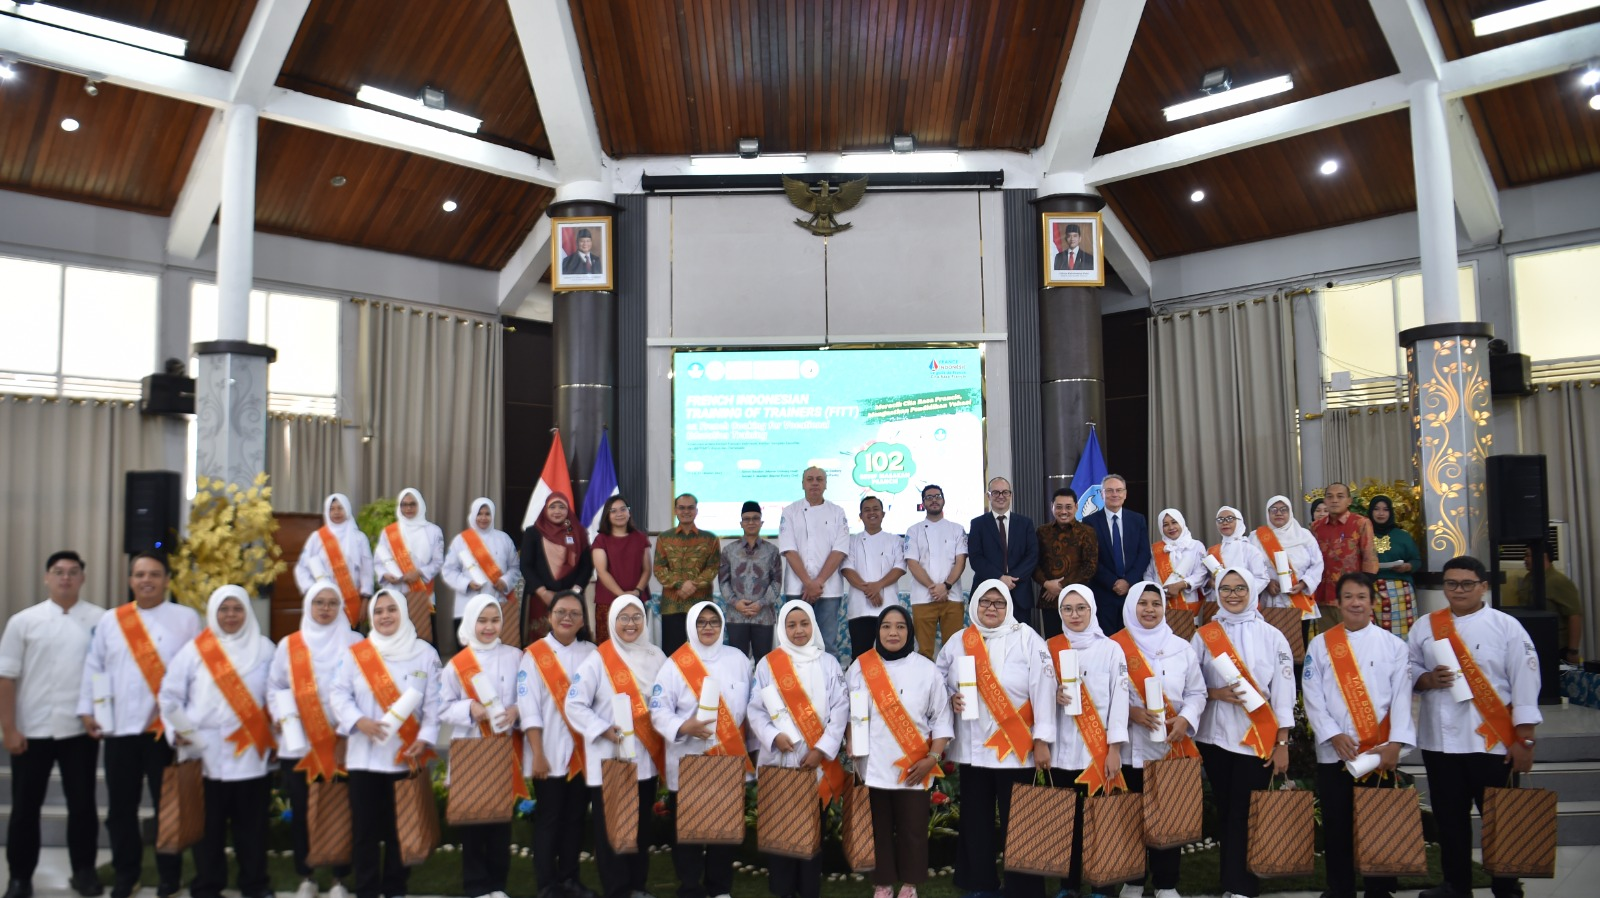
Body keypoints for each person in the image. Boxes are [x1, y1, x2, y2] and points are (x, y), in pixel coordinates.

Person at [1408, 555, 1542, 898]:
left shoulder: (1505, 626)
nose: (1458, 590)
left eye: (1467, 583)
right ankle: (1455, 884)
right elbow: (1408, 668)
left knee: (1501, 819)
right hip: (1440, 741)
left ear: (1483, 586)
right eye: (1451, 583)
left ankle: (1506, 885)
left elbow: (1526, 681)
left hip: (1492, 743)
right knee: (1449, 819)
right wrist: (1426, 678)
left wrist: (1524, 740)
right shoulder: (1425, 625)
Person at [77, 552, 201, 898]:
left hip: (166, 731)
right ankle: (125, 874)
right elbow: (95, 667)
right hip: (119, 730)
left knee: (169, 807)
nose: (147, 580)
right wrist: (89, 711)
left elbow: (197, 672)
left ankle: (169, 877)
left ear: (167, 579)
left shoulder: (186, 618)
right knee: (121, 809)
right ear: (131, 580)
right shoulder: (111, 621)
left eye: (155, 574)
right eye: (140, 574)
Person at [935, 580, 1055, 898]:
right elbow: (936, 682)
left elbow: (1045, 688)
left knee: (1022, 820)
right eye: (986, 602)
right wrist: (950, 698)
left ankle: (1024, 889)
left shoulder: (1027, 638)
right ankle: (980, 884)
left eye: (999, 603)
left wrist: (1042, 739)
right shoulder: (959, 641)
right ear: (975, 604)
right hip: (973, 748)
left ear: (1009, 606)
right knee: (976, 820)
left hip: (1016, 747)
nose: (991, 608)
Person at [159, 585, 277, 898]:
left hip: (251, 751)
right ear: (213, 612)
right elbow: (170, 696)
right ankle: (208, 884)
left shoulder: (265, 649)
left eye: (237, 608)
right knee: (207, 828)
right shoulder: (195, 650)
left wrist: (279, 735)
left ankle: (255, 883)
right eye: (224, 609)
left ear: (247, 611)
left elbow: (278, 695)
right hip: (203, 752)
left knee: (251, 827)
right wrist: (179, 733)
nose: (230, 615)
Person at [1303, 573, 1416, 898]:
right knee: (1337, 825)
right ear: (1337, 604)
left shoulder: (1393, 645)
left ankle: (1379, 889)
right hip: (1334, 753)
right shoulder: (1321, 644)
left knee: (1379, 820)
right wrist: (1332, 734)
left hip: (1377, 752)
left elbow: (1401, 697)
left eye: (1361, 597)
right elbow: (1312, 696)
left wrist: (1395, 743)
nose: (1355, 602)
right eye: (1348, 597)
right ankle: (1339, 888)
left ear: (1372, 602)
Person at [1, 550, 105, 898]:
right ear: (47, 577)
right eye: (58, 572)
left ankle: (85, 872)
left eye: (72, 572)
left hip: (79, 729)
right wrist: (9, 728)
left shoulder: (100, 619)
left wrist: (100, 717)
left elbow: (105, 673)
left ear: (82, 578)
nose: (65, 578)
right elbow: (7, 677)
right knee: (25, 808)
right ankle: (19, 877)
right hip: (33, 729)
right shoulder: (23, 621)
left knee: (83, 806)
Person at [329, 589, 442, 898]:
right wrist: (358, 720)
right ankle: (365, 889)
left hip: (404, 755)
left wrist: (425, 737)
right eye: (379, 611)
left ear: (403, 612)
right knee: (364, 832)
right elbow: (338, 694)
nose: (385, 616)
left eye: (392, 609)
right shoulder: (358, 653)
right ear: (371, 617)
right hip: (364, 758)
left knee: (400, 829)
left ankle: (395, 887)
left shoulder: (425, 653)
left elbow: (434, 704)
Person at [1192, 568, 1295, 898]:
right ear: (1217, 593)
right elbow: (1189, 685)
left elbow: (1283, 693)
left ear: (1252, 591)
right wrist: (1215, 693)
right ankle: (1230, 883)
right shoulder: (1204, 634)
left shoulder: (1273, 637)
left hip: (1258, 739)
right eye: (1225, 589)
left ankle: (1242, 887)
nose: (1233, 594)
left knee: (1247, 813)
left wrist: (1282, 742)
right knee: (1226, 812)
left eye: (1239, 588)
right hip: (1215, 738)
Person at [846, 605, 953, 898]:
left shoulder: (926, 670)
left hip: (914, 766)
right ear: (877, 631)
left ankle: (909, 885)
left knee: (913, 830)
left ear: (910, 631)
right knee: (877, 829)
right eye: (886, 626)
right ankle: (882, 884)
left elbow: (942, 719)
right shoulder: (860, 667)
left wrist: (931, 759)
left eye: (900, 626)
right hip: (873, 766)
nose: (893, 632)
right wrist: (850, 739)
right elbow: (849, 713)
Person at [650, 602, 753, 898]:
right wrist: (684, 727)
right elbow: (658, 710)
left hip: (727, 756)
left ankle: (719, 889)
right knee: (689, 833)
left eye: (713, 622)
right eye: (701, 622)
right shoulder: (674, 664)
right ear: (692, 626)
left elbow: (751, 706)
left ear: (722, 625)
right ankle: (691, 887)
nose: (708, 628)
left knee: (723, 830)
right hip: (689, 757)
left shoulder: (738, 660)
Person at [566, 597, 667, 898]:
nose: (631, 623)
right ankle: (618, 890)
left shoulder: (656, 656)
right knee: (614, 831)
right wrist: (601, 729)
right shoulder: (599, 659)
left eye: (636, 616)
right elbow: (574, 703)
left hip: (645, 759)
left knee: (639, 829)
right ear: (612, 621)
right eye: (623, 617)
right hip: (612, 758)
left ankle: (637, 886)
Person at [266, 581, 361, 898]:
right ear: (308, 605)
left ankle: (340, 879)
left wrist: (348, 729)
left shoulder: (355, 642)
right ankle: (306, 876)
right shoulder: (289, 645)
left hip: (341, 743)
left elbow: (363, 691)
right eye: (319, 602)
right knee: (304, 810)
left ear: (340, 607)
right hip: (299, 745)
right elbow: (275, 687)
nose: (325, 608)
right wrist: (281, 716)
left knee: (340, 810)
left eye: (332, 602)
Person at [749, 601, 849, 898]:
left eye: (804, 623)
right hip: (778, 760)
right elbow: (755, 710)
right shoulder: (768, 663)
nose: (798, 630)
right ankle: (782, 890)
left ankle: (808, 891)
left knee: (810, 833)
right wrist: (773, 735)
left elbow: (840, 710)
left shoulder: (828, 663)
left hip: (814, 765)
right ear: (782, 628)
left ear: (813, 626)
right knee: (780, 834)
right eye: (791, 625)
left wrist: (821, 750)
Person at [1113, 582, 1205, 898]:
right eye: (1143, 603)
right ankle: (1133, 880)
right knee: (1129, 816)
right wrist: (1130, 713)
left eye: (1156, 603)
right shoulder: (1113, 647)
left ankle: (1166, 883)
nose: (1150, 610)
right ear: (1131, 607)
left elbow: (1197, 692)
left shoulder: (1182, 647)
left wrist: (1186, 718)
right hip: (1127, 748)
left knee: (1169, 814)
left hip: (1170, 746)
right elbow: (1099, 695)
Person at [1045, 585, 1129, 898]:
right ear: (1059, 613)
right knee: (1068, 824)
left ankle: (1102, 886)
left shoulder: (1110, 649)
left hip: (1099, 752)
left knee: (1101, 823)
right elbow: (1036, 694)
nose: (1075, 615)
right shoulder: (1050, 646)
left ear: (1092, 609)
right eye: (1068, 609)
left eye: (1081, 608)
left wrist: (1115, 749)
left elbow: (1120, 700)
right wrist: (1051, 694)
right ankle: (1068, 885)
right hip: (1063, 752)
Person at [440, 594, 525, 898]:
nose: (489, 627)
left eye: (494, 620)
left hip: (503, 747)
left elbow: (528, 698)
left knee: (499, 823)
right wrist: (469, 709)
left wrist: (517, 711)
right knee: (473, 825)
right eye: (482, 620)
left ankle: (497, 885)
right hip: (471, 746)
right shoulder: (457, 664)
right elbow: (441, 706)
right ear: (471, 622)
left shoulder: (516, 656)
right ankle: (476, 887)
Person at [516, 590, 597, 898]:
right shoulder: (534, 654)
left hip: (582, 754)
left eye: (574, 613)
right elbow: (529, 707)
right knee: (549, 820)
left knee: (576, 818)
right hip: (547, 752)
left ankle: (570, 879)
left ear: (581, 620)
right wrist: (537, 754)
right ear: (549, 616)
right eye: (561, 612)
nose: (567, 618)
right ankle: (547, 885)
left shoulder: (592, 652)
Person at [778, 467, 852, 657]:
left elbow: (839, 550)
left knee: (827, 643)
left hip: (828, 590)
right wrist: (807, 583)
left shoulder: (837, 512)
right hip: (797, 589)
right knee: (795, 642)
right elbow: (789, 549)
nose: (815, 483)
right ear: (803, 484)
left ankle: (829, 685)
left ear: (826, 484)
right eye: (810, 479)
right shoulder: (790, 511)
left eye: (819, 479)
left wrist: (816, 583)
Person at [903, 485, 968, 659]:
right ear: (923, 503)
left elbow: (961, 561)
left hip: (952, 597)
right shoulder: (913, 530)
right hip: (923, 598)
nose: (934, 500)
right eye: (929, 497)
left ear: (943, 500)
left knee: (954, 650)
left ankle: (953, 685)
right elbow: (912, 562)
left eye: (937, 496)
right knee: (924, 651)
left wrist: (946, 586)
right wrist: (934, 588)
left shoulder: (957, 529)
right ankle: (926, 686)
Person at [373, 487, 445, 642]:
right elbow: (379, 562)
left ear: (420, 505)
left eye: (412, 504)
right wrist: (385, 575)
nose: (408, 508)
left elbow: (438, 561)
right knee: (396, 637)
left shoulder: (433, 531)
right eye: (404, 504)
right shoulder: (389, 532)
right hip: (395, 591)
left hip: (422, 591)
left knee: (423, 638)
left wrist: (419, 572)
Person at [967, 476, 1040, 630]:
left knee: (1021, 641)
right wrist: (1000, 578)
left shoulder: (1025, 523)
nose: (1001, 496)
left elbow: (1032, 555)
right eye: (996, 493)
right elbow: (976, 558)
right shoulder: (977, 524)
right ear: (988, 496)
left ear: (1011, 495)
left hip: (1019, 592)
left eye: (1005, 492)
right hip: (987, 595)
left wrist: (1011, 579)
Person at [653, 494, 720, 658]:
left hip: (701, 606)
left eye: (690, 507)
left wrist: (693, 584)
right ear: (676, 510)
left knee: (701, 654)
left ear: (696, 511)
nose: (686, 511)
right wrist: (679, 585)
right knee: (673, 655)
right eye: (682, 508)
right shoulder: (664, 538)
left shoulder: (710, 539)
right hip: (672, 605)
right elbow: (659, 568)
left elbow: (713, 568)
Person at [1085, 474, 1152, 636]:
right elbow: (1090, 558)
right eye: (1109, 491)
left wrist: (1128, 581)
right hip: (1104, 592)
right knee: (1107, 641)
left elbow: (1143, 554)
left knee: (1132, 641)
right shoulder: (1089, 522)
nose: (1114, 494)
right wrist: (1113, 582)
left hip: (1132, 591)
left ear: (1125, 494)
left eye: (1119, 490)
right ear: (1102, 494)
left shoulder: (1138, 519)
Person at [295, 493, 374, 627]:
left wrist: (365, 600)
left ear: (347, 510)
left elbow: (367, 570)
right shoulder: (317, 538)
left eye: (340, 508)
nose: (336, 512)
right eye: (332, 509)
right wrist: (312, 591)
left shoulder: (359, 538)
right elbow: (302, 568)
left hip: (351, 602)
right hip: (324, 603)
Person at [521, 493, 595, 637]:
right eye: (552, 507)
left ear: (568, 511)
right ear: (545, 510)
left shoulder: (579, 533)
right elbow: (526, 565)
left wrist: (575, 591)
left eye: (562, 507)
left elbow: (586, 566)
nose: (557, 511)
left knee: (571, 639)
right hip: (540, 598)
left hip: (572, 598)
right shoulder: (533, 533)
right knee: (540, 644)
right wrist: (543, 592)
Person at [843, 497, 907, 659]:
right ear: (861, 515)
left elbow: (899, 568)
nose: (872, 513)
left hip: (888, 608)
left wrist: (878, 586)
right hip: (859, 610)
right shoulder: (852, 541)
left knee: (891, 656)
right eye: (867, 510)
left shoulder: (895, 541)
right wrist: (871, 591)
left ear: (883, 513)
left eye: (875, 509)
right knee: (860, 656)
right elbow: (847, 569)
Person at [442, 498, 518, 633]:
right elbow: (448, 570)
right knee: (468, 651)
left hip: (498, 600)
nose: (483, 518)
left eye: (487, 514)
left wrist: (505, 581)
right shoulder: (461, 540)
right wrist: (467, 583)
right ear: (473, 515)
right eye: (479, 513)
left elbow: (515, 568)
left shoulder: (504, 539)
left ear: (493, 515)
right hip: (468, 602)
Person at [719, 500, 782, 658]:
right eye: (747, 519)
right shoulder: (729, 550)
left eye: (755, 518)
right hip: (736, 615)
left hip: (763, 616)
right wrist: (736, 602)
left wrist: (760, 603)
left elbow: (777, 582)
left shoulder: (772, 551)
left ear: (761, 522)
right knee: (737, 662)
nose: (751, 522)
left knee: (764, 661)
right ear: (741, 523)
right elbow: (723, 581)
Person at [1035, 488, 1099, 639]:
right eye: (1059, 507)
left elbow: (1090, 567)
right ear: (1052, 507)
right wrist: (1046, 584)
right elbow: (1034, 563)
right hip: (1050, 599)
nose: (1063, 511)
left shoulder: (1087, 532)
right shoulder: (1042, 532)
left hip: (1079, 600)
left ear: (1076, 507)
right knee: (1054, 644)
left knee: (1080, 643)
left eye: (1068, 507)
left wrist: (1060, 587)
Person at [1310, 484, 1378, 621]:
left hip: (1351, 598)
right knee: (1329, 640)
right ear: (1325, 500)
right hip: (1323, 596)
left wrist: (1363, 593)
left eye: (1340, 496)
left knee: (1354, 639)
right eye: (1330, 497)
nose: (1334, 500)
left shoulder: (1361, 523)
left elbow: (1370, 558)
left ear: (1349, 501)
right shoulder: (1316, 526)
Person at [591, 495, 652, 645]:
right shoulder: (601, 539)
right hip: (608, 602)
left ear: (629, 512)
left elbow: (647, 569)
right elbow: (602, 571)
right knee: (608, 646)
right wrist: (622, 596)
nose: (619, 514)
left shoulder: (640, 537)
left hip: (636, 599)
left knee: (636, 643)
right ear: (607, 515)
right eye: (613, 511)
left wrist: (637, 592)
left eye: (623, 509)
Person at [1251, 495, 1324, 618]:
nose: (1278, 513)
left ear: (1290, 512)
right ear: (1267, 513)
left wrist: (1304, 583)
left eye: (1283, 509)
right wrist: (1266, 583)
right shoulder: (1255, 537)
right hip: (1271, 600)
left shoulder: (1304, 535)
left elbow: (1317, 563)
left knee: (1300, 636)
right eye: (1273, 510)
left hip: (1299, 598)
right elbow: (1250, 566)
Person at [1518, 544, 1583, 664]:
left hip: (1556, 648)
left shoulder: (1558, 581)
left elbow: (1574, 616)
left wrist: (1573, 651)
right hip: (1533, 645)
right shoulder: (1528, 578)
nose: (1525, 559)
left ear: (1543, 556)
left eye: (1528, 555)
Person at [1368, 496, 1422, 638]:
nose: (1381, 513)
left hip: (1400, 591)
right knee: (1373, 635)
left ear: (1391, 512)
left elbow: (1416, 560)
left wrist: (1408, 566)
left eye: (1385, 510)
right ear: (1370, 511)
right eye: (1376, 509)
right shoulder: (1363, 534)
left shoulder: (1402, 536)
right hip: (1370, 588)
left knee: (1402, 635)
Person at [1145, 508, 1207, 620]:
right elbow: (1149, 574)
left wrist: (1181, 585)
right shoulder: (1156, 549)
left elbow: (1201, 573)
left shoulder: (1196, 546)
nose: (1171, 527)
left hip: (1188, 600)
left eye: (1174, 522)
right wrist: (1157, 591)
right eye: (1165, 524)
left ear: (1181, 523)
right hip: (1161, 601)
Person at [1207, 507, 1273, 608]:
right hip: (1219, 604)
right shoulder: (1212, 551)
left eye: (1229, 519)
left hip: (1245, 603)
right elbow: (1207, 579)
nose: (1225, 523)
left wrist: (1240, 593)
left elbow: (1262, 578)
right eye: (1220, 520)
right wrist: (1211, 583)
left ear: (1239, 521)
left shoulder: (1250, 549)